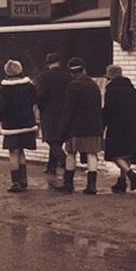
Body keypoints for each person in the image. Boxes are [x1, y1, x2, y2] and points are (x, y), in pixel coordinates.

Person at [57, 56, 104, 194]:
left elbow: (68, 110)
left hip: (76, 127)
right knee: (92, 154)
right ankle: (91, 185)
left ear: (72, 72)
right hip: (94, 126)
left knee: (71, 153)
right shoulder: (94, 84)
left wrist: (63, 129)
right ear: (84, 69)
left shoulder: (73, 85)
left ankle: (68, 183)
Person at [0, 59, 38, 193]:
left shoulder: (3, 89)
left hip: (11, 125)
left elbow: (0, 108)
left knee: (13, 152)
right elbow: (34, 101)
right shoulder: (29, 86)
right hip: (26, 123)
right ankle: (24, 180)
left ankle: (16, 182)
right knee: (21, 151)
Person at [102, 65, 136, 193]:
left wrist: (102, 125)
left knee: (114, 154)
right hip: (134, 126)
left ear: (110, 78)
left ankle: (131, 175)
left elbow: (108, 110)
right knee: (127, 154)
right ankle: (121, 181)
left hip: (117, 127)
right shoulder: (132, 89)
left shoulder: (111, 90)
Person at [35, 52, 71, 175]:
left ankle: (64, 160)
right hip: (64, 111)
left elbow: (41, 96)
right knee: (58, 139)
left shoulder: (43, 76)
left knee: (50, 139)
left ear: (47, 63)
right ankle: (51, 166)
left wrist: (41, 109)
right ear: (59, 62)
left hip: (49, 112)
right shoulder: (67, 76)